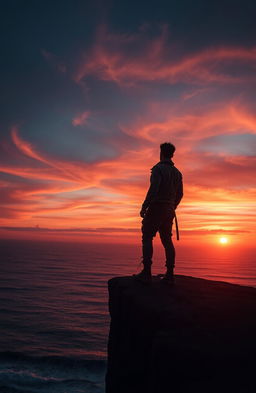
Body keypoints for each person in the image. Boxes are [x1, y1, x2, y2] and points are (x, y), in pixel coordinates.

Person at [134, 142, 183, 284]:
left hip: (157, 207)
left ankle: (147, 272)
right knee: (167, 240)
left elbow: (154, 188)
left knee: (147, 236)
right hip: (169, 210)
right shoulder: (178, 173)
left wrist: (144, 206)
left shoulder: (158, 169)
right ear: (172, 154)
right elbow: (180, 194)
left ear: (161, 153)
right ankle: (170, 274)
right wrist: (173, 206)